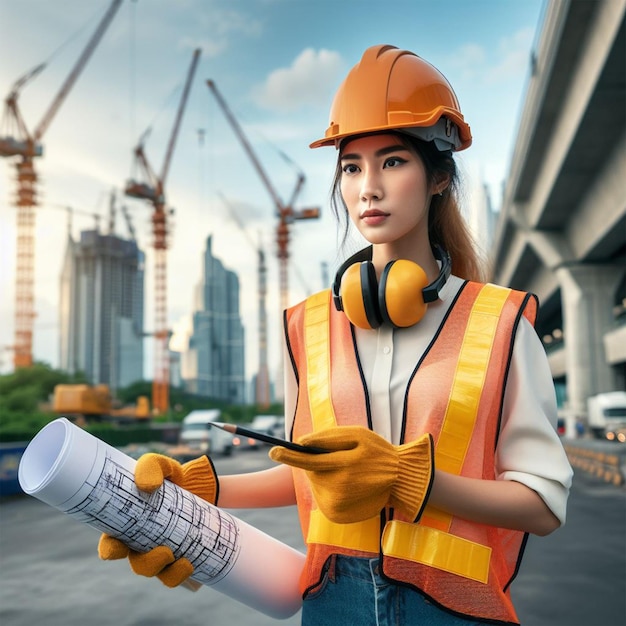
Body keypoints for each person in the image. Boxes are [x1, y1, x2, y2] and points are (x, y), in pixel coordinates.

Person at [98, 44, 573, 625]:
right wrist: (197, 489)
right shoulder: (309, 325)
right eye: (352, 167)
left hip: (454, 609)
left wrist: (407, 479)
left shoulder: (499, 321)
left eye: (393, 161)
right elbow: (306, 471)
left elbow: (544, 503)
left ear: (439, 176)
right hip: (332, 604)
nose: (367, 187)